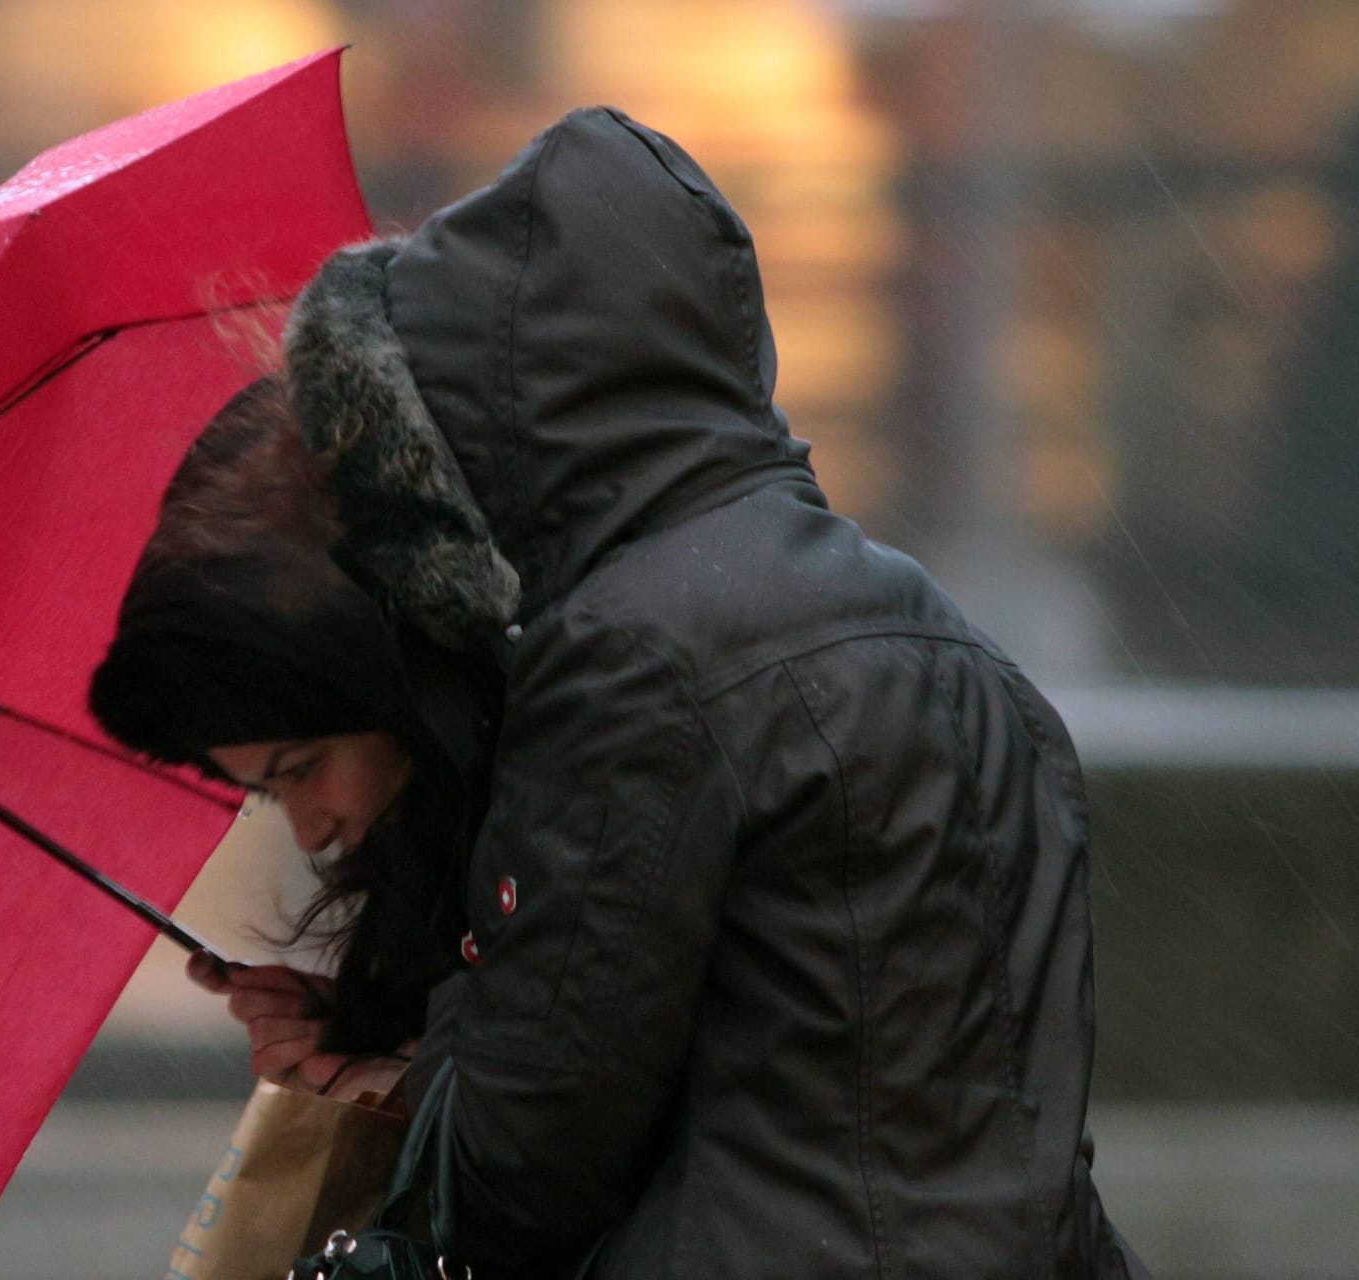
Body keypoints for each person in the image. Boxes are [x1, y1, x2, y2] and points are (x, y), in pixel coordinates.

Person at [93, 108, 1148, 1279]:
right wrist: (398, 1045)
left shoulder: (628, 660)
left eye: (294, 771)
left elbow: (533, 1157)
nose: (308, 822)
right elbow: (817, 1082)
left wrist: (408, 1125)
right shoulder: (940, 639)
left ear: (453, 448)